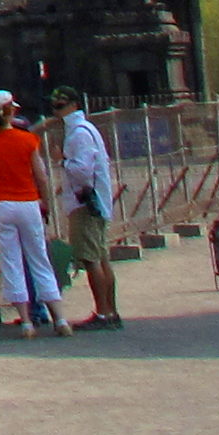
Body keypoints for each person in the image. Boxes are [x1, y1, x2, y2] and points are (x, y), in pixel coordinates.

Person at [0, 89, 69, 338]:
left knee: (12, 261)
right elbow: (42, 177)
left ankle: (26, 322)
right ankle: (59, 319)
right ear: (12, 110)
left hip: (2, 204)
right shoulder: (27, 140)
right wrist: (46, 202)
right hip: (28, 202)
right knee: (39, 259)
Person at [50, 91, 122, 328]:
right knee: (101, 258)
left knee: (91, 260)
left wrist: (61, 160)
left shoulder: (79, 134)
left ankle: (103, 313)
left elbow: (81, 170)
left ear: (73, 105)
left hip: (85, 204)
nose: (56, 108)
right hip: (95, 202)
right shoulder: (86, 129)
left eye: (61, 104)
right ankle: (110, 312)